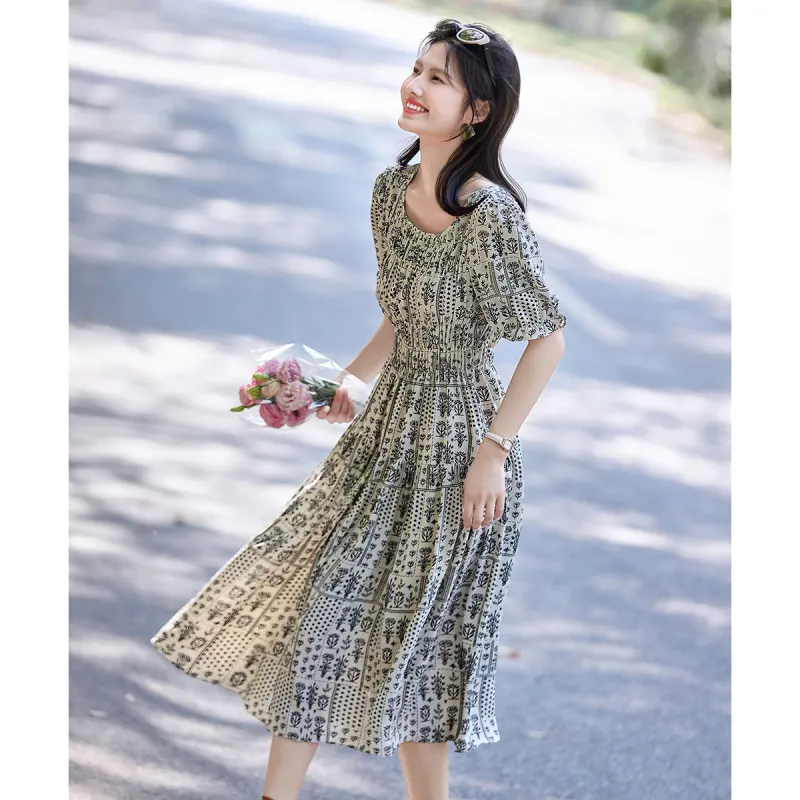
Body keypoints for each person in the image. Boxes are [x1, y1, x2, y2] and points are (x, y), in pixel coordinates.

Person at [151, 18, 567, 800]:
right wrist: (339, 383)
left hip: (461, 452)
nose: (415, 86)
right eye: (416, 68)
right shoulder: (388, 193)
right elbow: (401, 317)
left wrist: (493, 453)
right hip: (386, 432)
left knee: (425, 650)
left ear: (477, 110)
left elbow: (547, 340)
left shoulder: (492, 219)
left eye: (439, 79)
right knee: (323, 614)